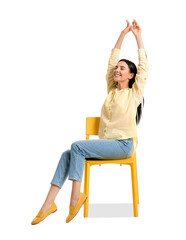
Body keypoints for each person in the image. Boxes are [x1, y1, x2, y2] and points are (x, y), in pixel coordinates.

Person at [31, 19, 149, 225]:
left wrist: (138, 36)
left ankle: (76, 198)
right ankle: (47, 204)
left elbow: (144, 68)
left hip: (123, 145)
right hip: (107, 145)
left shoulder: (134, 94)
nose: (117, 70)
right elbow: (111, 61)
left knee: (77, 147)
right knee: (67, 154)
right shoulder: (111, 91)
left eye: (123, 69)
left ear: (131, 76)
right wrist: (122, 34)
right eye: (117, 68)